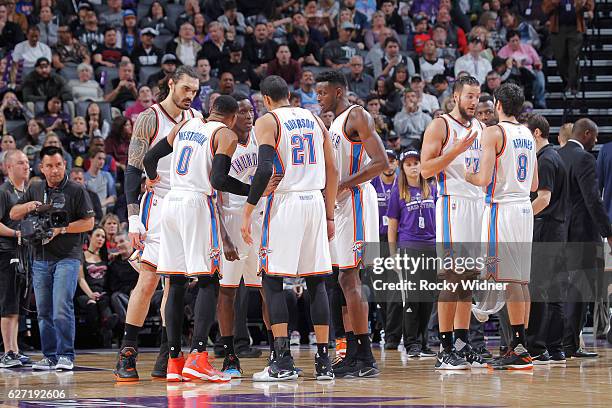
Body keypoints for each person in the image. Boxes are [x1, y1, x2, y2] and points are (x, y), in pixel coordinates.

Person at [241, 75, 338, 381]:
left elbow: (265, 168)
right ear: (289, 94)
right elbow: (332, 168)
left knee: (271, 279)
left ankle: (282, 361)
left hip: (285, 202)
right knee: (316, 281)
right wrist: (330, 213)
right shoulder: (313, 118)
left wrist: (247, 210)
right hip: (314, 201)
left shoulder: (267, 121)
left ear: (265, 99)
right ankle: (324, 362)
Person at [141, 95, 241, 383]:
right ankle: (198, 357)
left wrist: (151, 178)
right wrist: (252, 189)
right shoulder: (225, 134)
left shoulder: (184, 126)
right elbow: (220, 181)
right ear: (232, 117)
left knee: (176, 283)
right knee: (209, 280)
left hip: (171, 203)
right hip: (198, 203)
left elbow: (150, 158)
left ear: (211, 111)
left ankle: (175, 361)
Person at [113, 66, 201, 382]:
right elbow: (133, 170)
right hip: (157, 203)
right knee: (149, 279)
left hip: (186, 202)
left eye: (195, 90)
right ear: (172, 84)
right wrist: (133, 219)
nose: (190, 95)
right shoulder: (151, 117)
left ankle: (168, 354)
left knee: (174, 282)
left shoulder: (195, 120)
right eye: (186, 88)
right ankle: (128, 351)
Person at [316, 70, 388, 377]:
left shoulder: (357, 115)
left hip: (357, 200)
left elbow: (382, 162)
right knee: (343, 281)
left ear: (337, 91)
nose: (317, 97)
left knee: (351, 278)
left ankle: (366, 356)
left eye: (321, 92)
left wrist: (343, 184)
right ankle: (354, 352)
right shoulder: (334, 123)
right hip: (342, 202)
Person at [465, 83, 538, 369]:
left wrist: (466, 174)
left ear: (497, 104)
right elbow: (534, 184)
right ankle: (519, 345)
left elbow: (483, 179)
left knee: (507, 280)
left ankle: (517, 349)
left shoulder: (494, 132)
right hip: (523, 208)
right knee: (520, 281)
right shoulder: (528, 135)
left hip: (502, 209)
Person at [420, 75, 488, 369]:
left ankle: (462, 342)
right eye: (469, 96)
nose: (474, 102)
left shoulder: (482, 128)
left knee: (469, 278)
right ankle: (444, 347)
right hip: (452, 205)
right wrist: (456, 151)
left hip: (477, 204)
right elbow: (424, 170)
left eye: (478, 96)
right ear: (456, 97)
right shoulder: (441, 125)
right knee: (452, 277)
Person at [10, 146, 95, 370]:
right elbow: (12, 214)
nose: (54, 170)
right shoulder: (35, 188)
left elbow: (89, 223)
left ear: (64, 165)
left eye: (58, 165)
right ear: (41, 168)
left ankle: (66, 354)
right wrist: (28, 206)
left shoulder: (76, 190)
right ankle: (50, 356)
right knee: (44, 311)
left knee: (60, 307)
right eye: (49, 166)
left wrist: (62, 229)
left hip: (68, 257)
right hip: (40, 257)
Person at [215, 93, 272, 378]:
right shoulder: (222, 143)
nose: (249, 116)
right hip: (233, 222)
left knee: (267, 289)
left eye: (252, 111)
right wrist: (223, 236)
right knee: (227, 290)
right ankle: (229, 357)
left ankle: (278, 354)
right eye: (243, 112)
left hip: (260, 222)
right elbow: (214, 192)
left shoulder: (263, 140)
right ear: (231, 116)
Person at [558, 118, 612, 358]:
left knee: (564, 289)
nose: (597, 140)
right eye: (595, 135)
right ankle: (571, 344)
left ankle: (561, 341)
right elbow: (593, 199)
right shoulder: (585, 159)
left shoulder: (556, 155)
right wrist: (608, 232)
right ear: (587, 134)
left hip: (560, 231)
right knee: (580, 291)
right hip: (582, 234)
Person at [525, 113, 569, 365]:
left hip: (546, 228)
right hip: (556, 229)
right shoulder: (555, 156)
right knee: (554, 292)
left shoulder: (545, 160)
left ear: (537, 134)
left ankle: (539, 347)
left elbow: (544, 198)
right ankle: (555, 348)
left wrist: (521, 216)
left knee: (540, 290)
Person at [387, 150, 438, 358]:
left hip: (431, 248)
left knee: (427, 299)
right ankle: (411, 343)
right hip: (409, 248)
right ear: (403, 167)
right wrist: (393, 255)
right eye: (409, 164)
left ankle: (424, 341)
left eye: (416, 162)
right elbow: (392, 226)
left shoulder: (432, 188)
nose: (414, 167)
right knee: (412, 298)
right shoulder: (397, 193)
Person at [0, 150, 29, 368]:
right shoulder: (3, 192)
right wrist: (17, 233)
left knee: (18, 304)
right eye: (20, 162)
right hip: (6, 252)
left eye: (27, 162)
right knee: (8, 303)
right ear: (8, 167)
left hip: (23, 253)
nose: (26, 166)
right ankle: (8, 350)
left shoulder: (26, 192)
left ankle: (16, 350)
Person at [76, 226, 117, 347]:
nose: (100, 239)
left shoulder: (105, 256)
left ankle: (107, 324)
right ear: (90, 237)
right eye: (97, 236)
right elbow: (81, 278)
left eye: (103, 237)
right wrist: (90, 294)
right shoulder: (81, 255)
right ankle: (99, 333)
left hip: (102, 293)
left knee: (104, 300)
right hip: (85, 292)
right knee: (92, 304)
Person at [543, 0, 594, 96]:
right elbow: (545, 8)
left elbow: (589, 4)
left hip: (575, 28)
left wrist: (585, 6)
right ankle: (566, 81)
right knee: (560, 58)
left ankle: (573, 84)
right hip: (558, 29)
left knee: (573, 56)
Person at [85, 148, 116, 214]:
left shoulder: (107, 175)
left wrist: (101, 204)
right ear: (91, 159)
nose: (102, 161)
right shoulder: (84, 177)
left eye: (103, 159)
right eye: (99, 158)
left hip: (105, 210)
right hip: (90, 211)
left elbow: (113, 197)